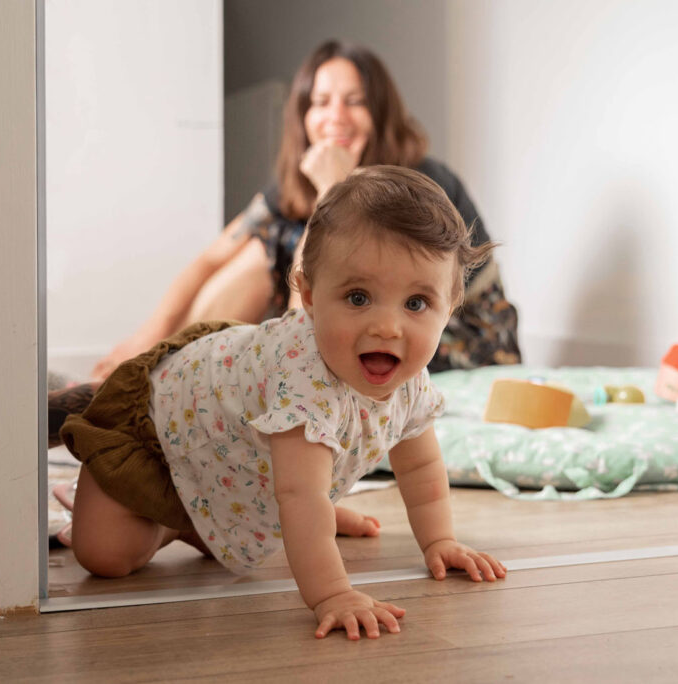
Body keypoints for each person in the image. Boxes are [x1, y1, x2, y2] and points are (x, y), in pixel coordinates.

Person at [60, 167, 508, 640]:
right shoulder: (303, 385)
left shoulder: (410, 379)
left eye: (416, 304)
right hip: (158, 432)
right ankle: (169, 519)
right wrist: (333, 593)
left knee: (291, 502)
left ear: (451, 305)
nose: (387, 328)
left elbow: (420, 471)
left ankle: (204, 517)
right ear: (310, 296)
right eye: (359, 298)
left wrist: (440, 541)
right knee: (106, 556)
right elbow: (301, 496)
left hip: (229, 456)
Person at [88, 39, 519, 383]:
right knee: (257, 251)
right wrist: (140, 348)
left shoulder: (420, 182)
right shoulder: (297, 182)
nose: (336, 117)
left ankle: (259, 380)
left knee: (291, 249)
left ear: (380, 113)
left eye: (355, 101)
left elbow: (346, 288)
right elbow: (211, 259)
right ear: (303, 114)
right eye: (321, 102)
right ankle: (167, 376)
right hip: (362, 323)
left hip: (449, 337)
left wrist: (335, 186)